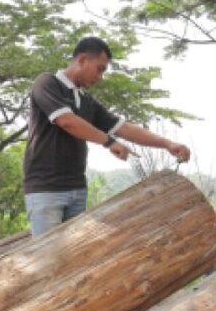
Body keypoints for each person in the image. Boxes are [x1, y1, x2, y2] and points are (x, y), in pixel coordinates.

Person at [23, 36, 191, 236]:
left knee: (73, 260)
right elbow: (67, 121)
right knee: (46, 259)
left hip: (77, 188)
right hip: (46, 190)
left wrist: (167, 144)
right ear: (83, 60)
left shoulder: (86, 101)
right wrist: (108, 142)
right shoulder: (47, 83)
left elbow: (124, 128)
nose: (100, 76)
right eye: (100, 68)